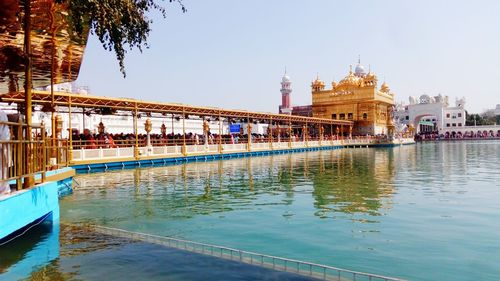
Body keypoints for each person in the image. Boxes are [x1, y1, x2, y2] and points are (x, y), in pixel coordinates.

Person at [0, 110, 11, 195]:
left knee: (2, 168)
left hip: (2, 143)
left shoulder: (1, 113)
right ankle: (4, 189)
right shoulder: (2, 113)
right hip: (3, 143)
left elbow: (4, 131)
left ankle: (4, 189)